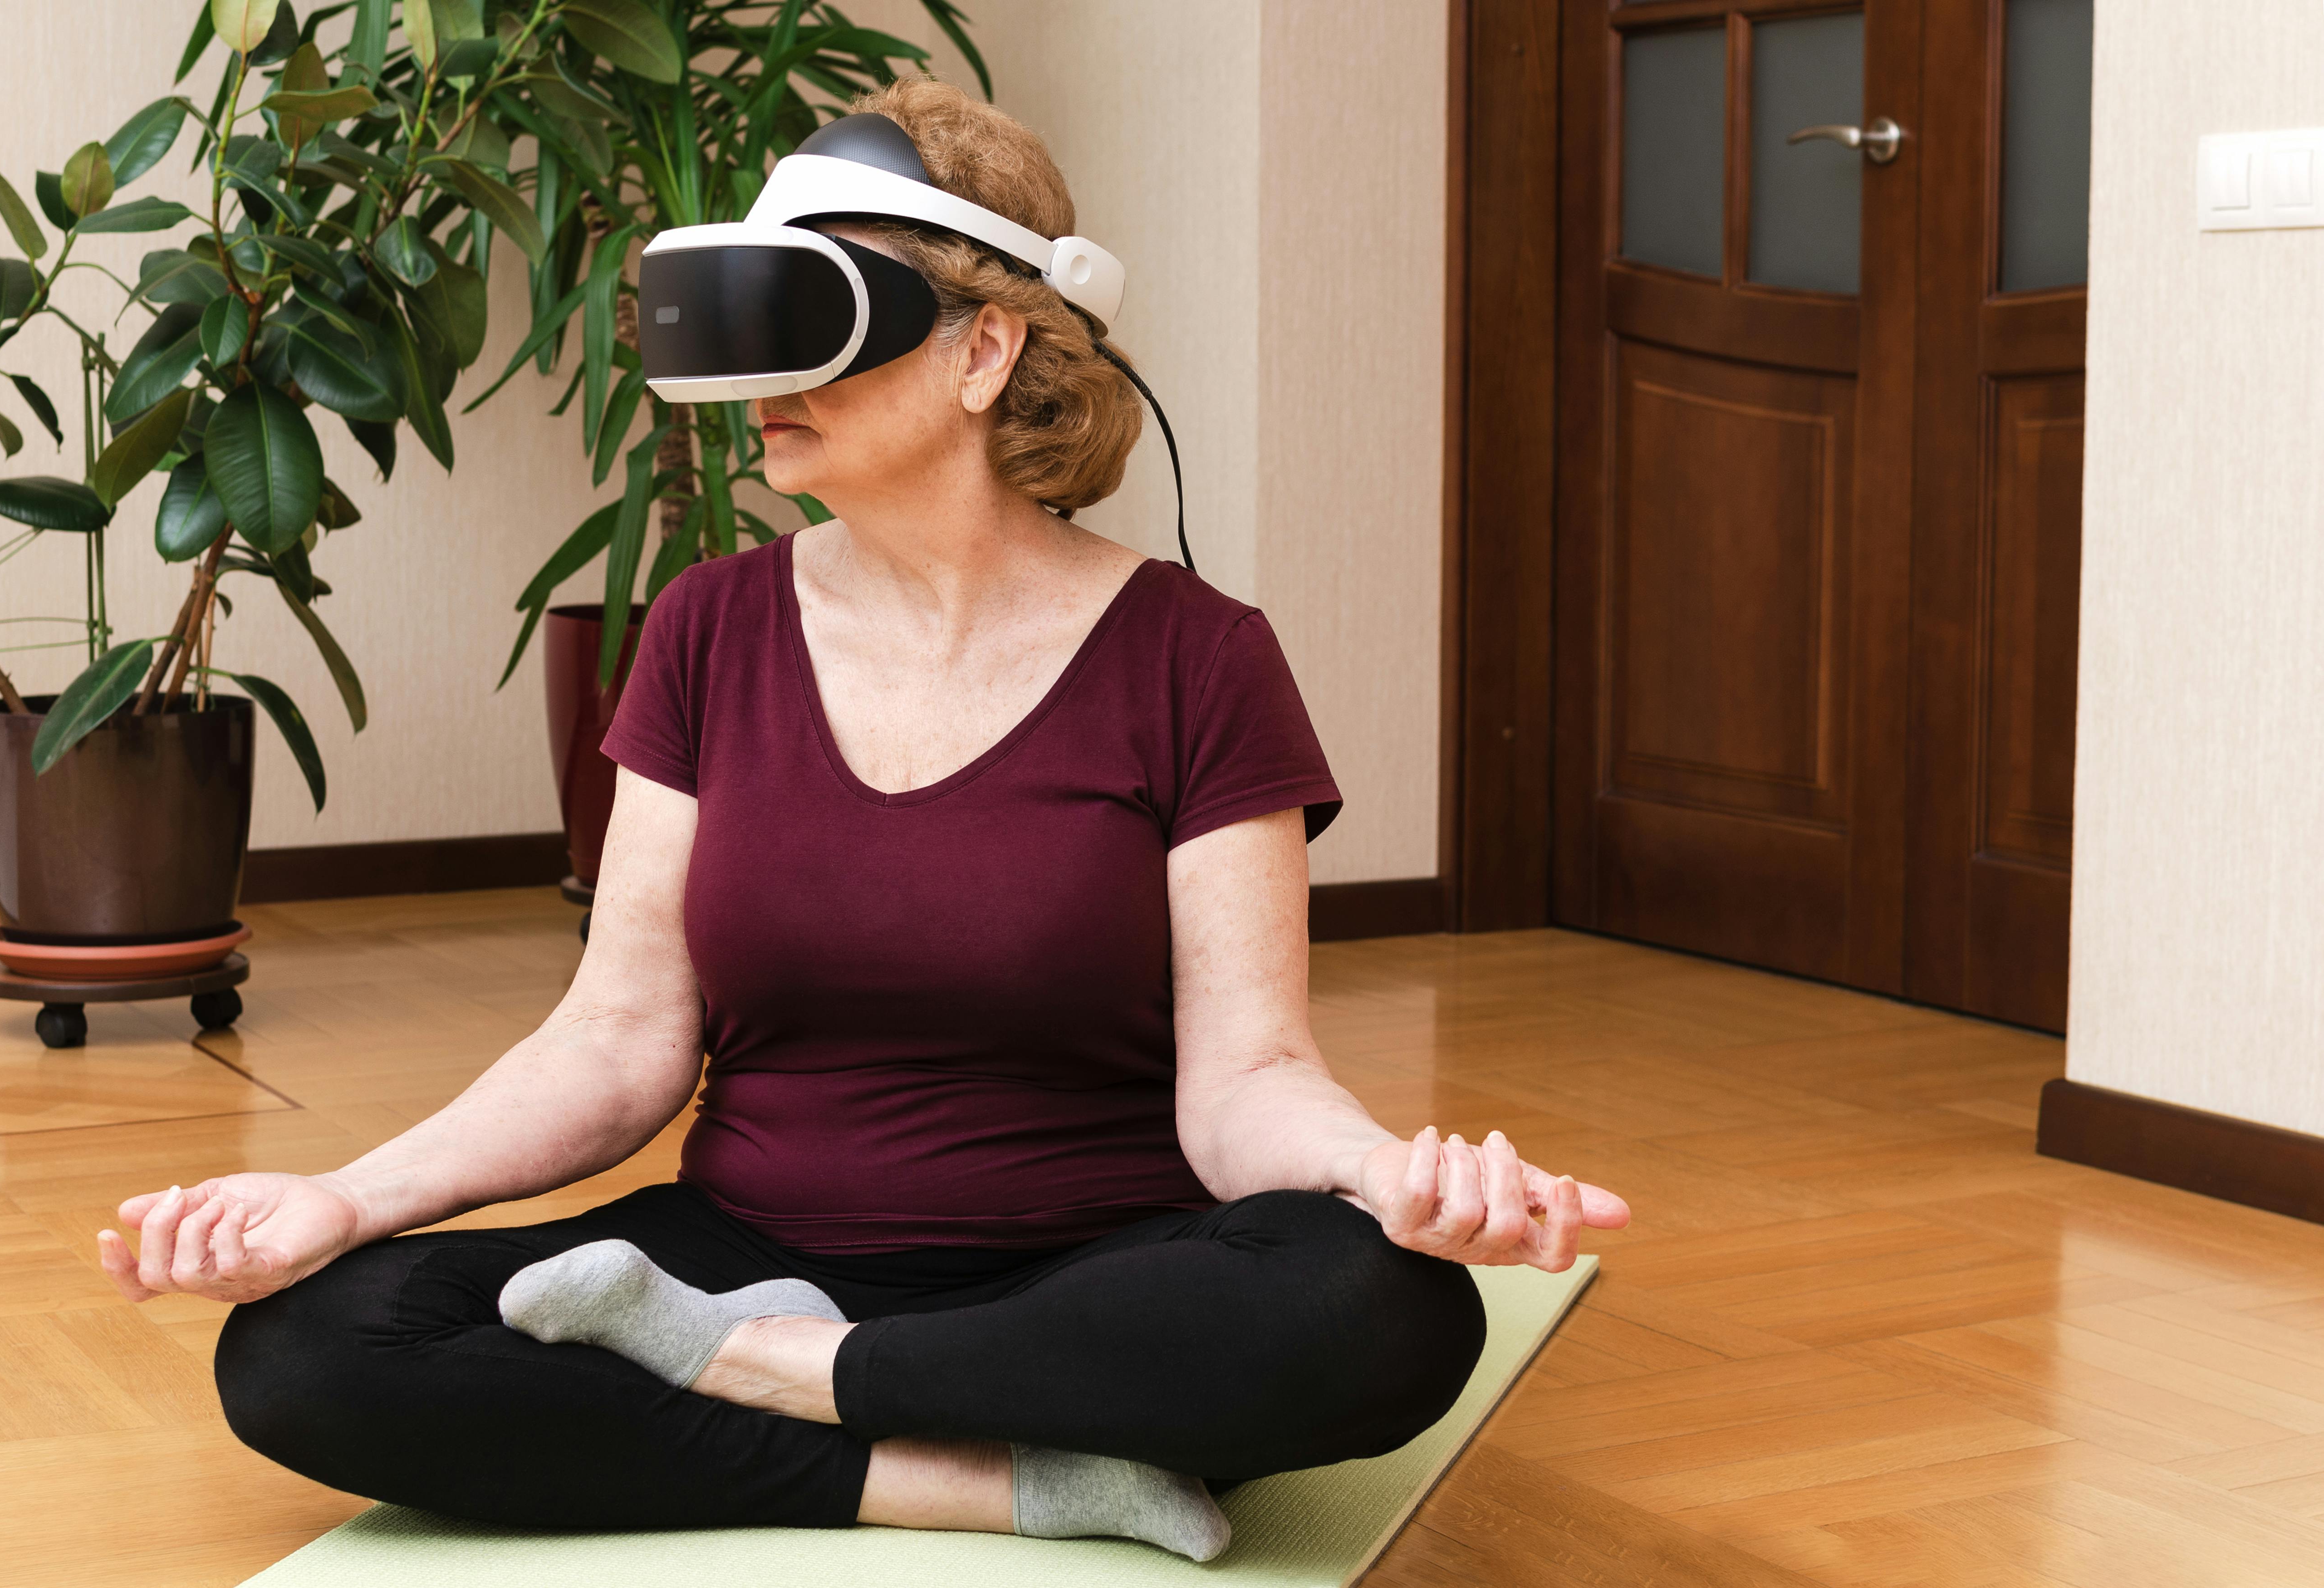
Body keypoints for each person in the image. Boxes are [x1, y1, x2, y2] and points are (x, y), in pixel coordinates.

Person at [97, 79, 1629, 1563]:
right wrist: (341, 1196)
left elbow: (1252, 1076)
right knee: (309, 1345)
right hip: (745, 1244)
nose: (769, 385)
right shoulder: (708, 628)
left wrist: (1385, 1175)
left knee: (1389, 1309)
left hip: (1093, 1275)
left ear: (984, 352)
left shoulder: (1196, 655)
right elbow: (617, 1038)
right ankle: (966, 1470)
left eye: (812, 328)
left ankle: (786, 1376)